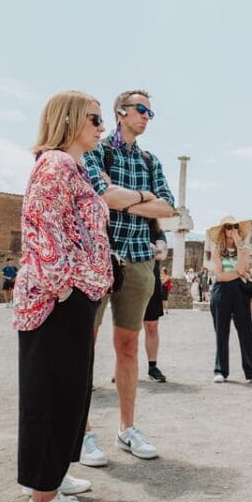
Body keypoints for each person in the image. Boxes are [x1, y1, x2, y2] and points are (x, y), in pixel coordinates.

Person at [14, 90, 111, 502]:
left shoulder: (73, 167)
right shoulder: (56, 164)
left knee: (68, 391)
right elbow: (43, 228)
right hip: (58, 299)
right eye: (94, 118)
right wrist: (65, 288)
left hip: (71, 295)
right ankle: (44, 500)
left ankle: (50, 477)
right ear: (70, 120)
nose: (101, 127)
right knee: (54, 393)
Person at [83, 89, 176, 462]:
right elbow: (100, 194)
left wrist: (125, 198)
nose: (146, 116)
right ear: (120, 112)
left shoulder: (151, 160)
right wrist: (144, 198)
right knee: (84, 345)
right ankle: (81, 430)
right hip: (97, 258)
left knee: (128, 346)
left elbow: (167, 207)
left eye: (150, 112)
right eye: (141, 110)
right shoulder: (96, 150)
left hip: (138, 260)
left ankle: (126, 428)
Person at [209, 216, 252, 383]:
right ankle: (220, 371)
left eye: (235, 227)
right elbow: (220, 276)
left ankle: (251, 372)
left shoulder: (244, 249)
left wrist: (239, 247)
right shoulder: (217, 250)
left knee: (246, 332)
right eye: (229, 227)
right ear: (223, 230)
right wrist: (239, 274)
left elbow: (241, 267)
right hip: (222, 290)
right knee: (221, 332)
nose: (232, 230)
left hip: (240, 291)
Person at [142, 226, 169, 383]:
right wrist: (151, 247)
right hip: (129, 283)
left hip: (151, 283)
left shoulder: (157, 231)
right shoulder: (127, 223)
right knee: (126, 328)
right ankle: (123, 366)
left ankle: (152, 367)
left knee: (152, 326)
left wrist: (138, 245)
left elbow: (162, 254)